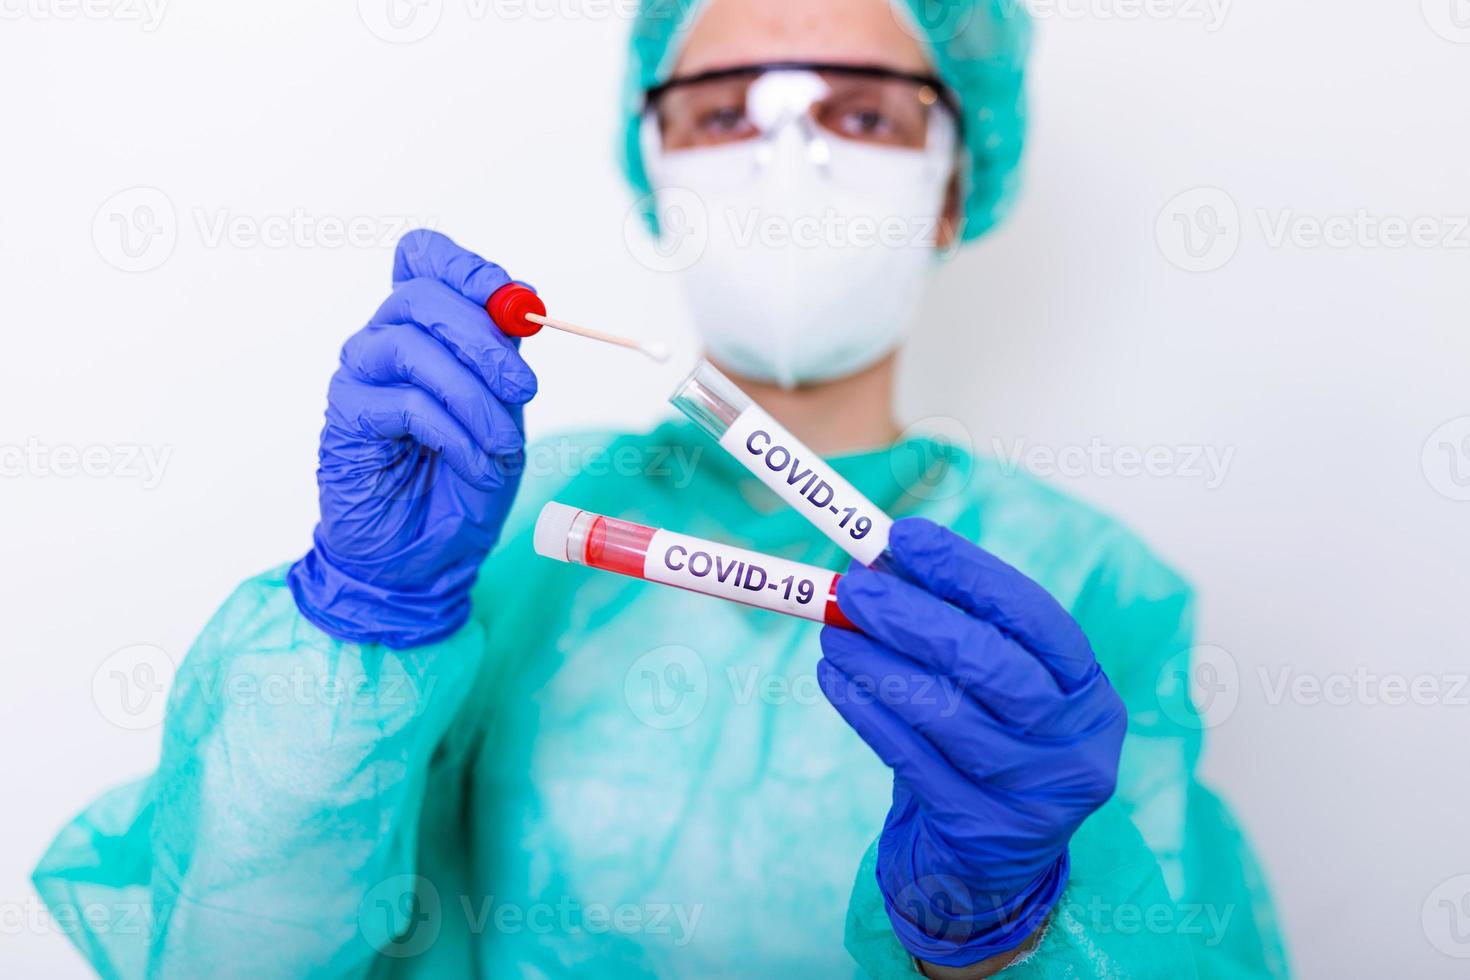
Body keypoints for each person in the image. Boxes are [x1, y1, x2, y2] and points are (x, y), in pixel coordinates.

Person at [34, 0, 1290, 976]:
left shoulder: (1084, 592)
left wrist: (1014, 931)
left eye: (862, 117)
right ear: (655, 171)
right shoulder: (512, 522)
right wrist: (363, 619)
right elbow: (227, 954)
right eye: (723, 112)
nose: (786, 159)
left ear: (957, 181)